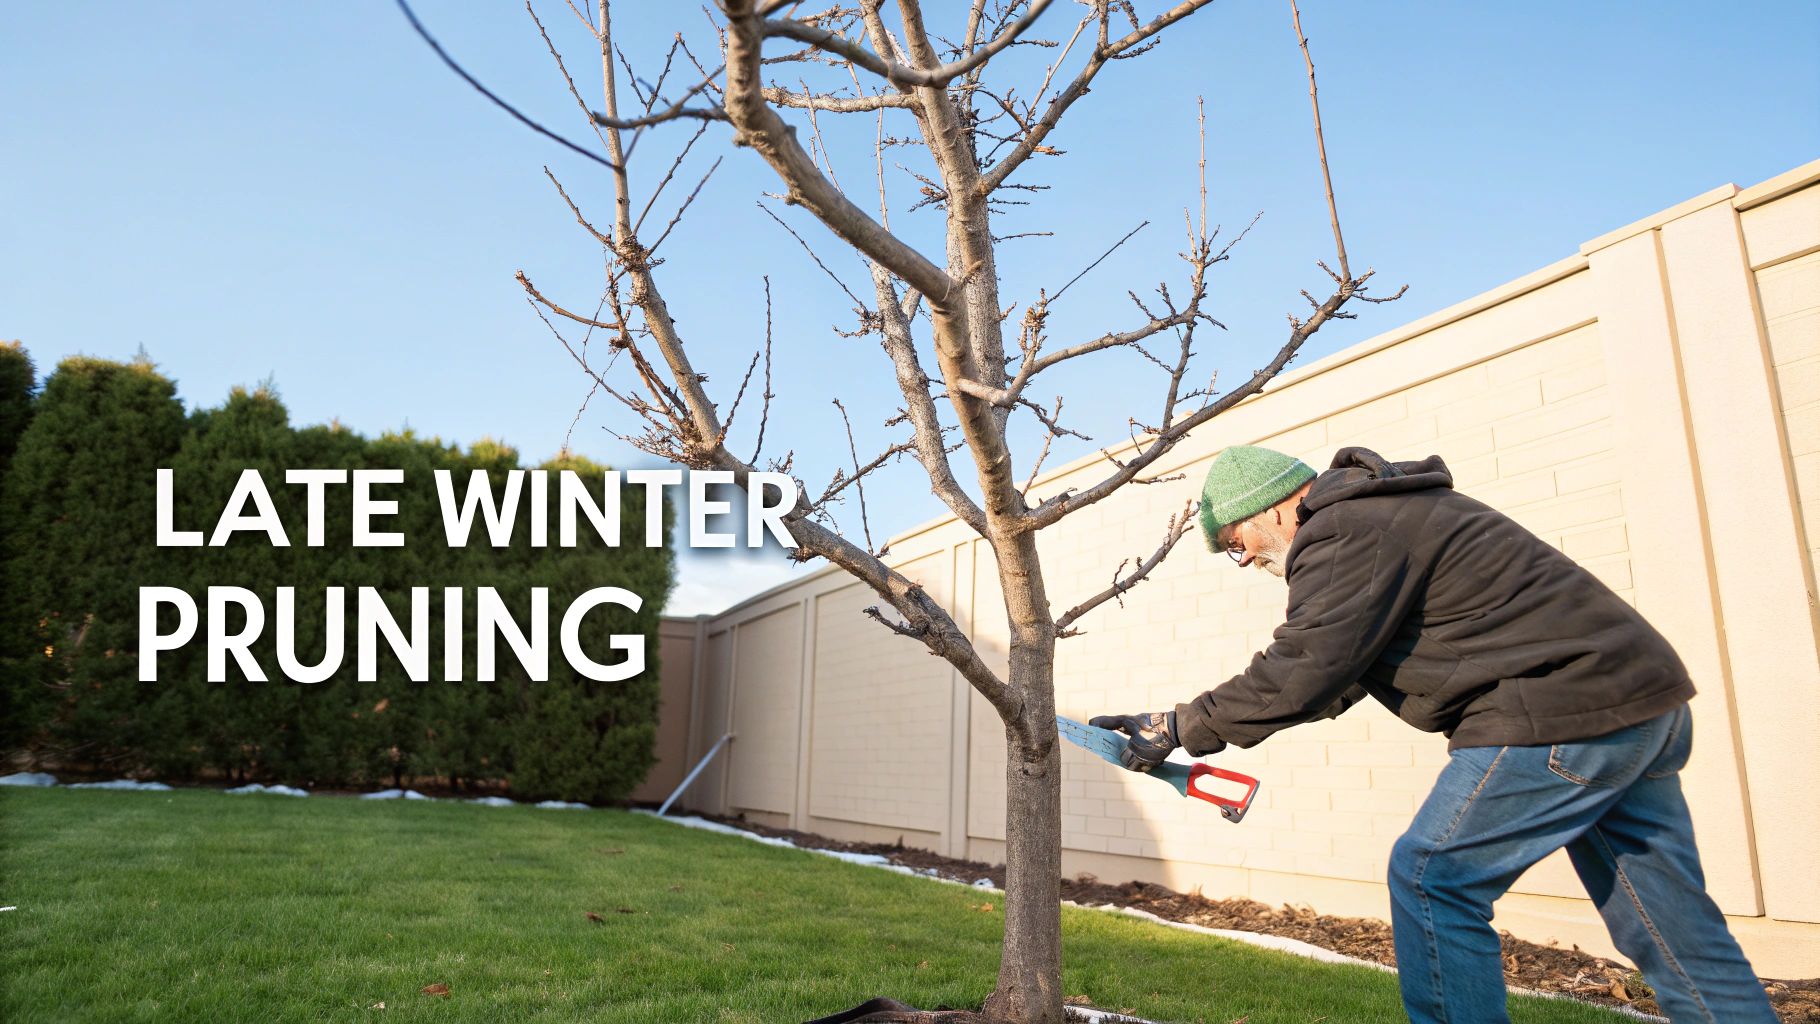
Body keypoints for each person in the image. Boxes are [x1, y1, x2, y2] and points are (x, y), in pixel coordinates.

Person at [1091, 444, 1775, 1024]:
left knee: (1430, 877)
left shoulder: (1343, 528)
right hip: (1640, 706)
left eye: (1236, 545)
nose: (1245, 562)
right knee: (1668, 923)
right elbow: (1338, 672)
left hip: (1557, 711)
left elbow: (1308, 663)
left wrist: (1179, 725)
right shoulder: (1387, 515)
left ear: (1272, 506)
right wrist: (1188, 723)